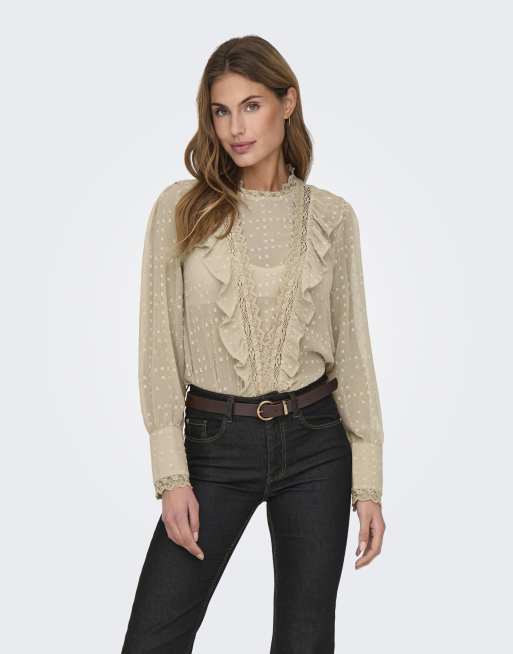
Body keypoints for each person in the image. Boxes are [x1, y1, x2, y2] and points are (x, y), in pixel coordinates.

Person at [122, 34, 386, 654]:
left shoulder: (333, 217)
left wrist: (369, 483)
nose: (235, 128)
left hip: (317, 445)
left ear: (287, 103)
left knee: (304, 641)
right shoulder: (182, 209)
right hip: (214, 444)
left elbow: (354, 352)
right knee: (153, 639)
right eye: (221, 111)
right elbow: (158, 347)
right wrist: (171, 475)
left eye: (251, 105)